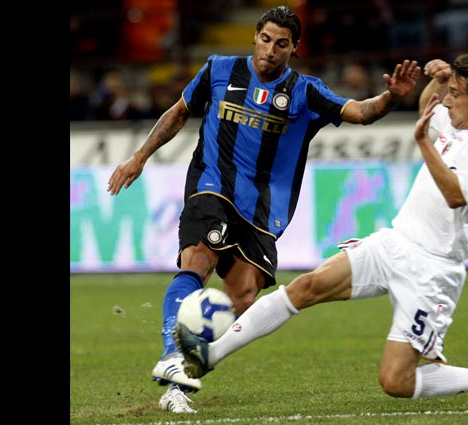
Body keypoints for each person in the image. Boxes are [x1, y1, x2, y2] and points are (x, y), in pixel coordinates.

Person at [174, 52, 468, 411]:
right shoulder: (456, 122)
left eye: (456, 94)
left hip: (433, 269)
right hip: (395, 242)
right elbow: (427, 108)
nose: (447, 101)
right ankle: (210, 355)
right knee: (306, 286)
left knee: (396, 381)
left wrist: (424, 145)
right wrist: (440, 81)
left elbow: (456, 194)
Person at [106, 5, 421, 414]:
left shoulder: (306, 91)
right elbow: (179, 112)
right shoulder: (219, 69)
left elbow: (360, 112)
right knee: (197, 261)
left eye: (281, 44)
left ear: (294, 48)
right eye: (266, 39)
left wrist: (391, 97)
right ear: (256, 36)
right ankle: (171, 354)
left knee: (243, 297)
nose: (271, 50)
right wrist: (139, 156)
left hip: (263, 212)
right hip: (212, 186)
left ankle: (181, 378)